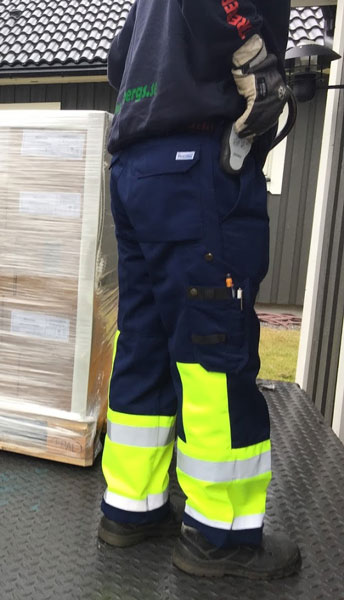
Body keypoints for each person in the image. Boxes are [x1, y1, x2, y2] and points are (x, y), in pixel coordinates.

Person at [97, 0, 302, 580]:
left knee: (144, 340)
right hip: (195, 166)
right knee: (214, 346)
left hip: (135, 165)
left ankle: (131, 507)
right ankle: (222, 532)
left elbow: (119, 61)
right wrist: (253, 51)